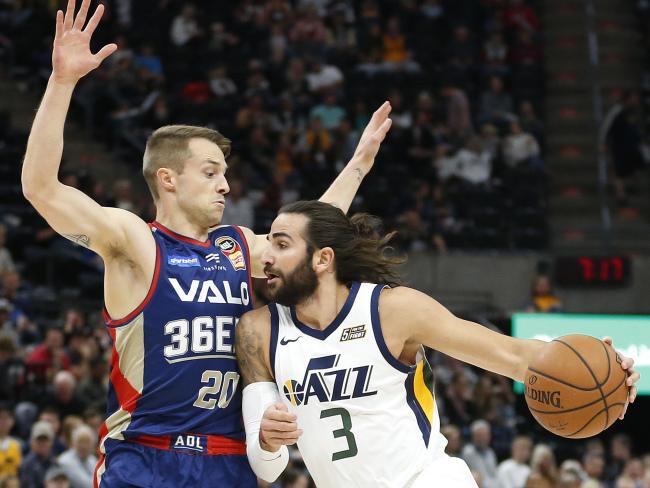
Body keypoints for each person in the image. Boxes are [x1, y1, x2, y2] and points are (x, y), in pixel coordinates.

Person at [21, 1, 392, 487]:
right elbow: (41, 188)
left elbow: (312, 235)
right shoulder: (137, 242)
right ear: (168, 178)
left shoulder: (237, 245)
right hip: (146, 456)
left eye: (226, 175)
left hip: (229, 460)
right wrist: (63, 82)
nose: (225, 186)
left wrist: (359, 164)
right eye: (211, 172)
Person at [234, 200, 640, 487]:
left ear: (323, 260)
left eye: (281, 244)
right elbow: (267, 467)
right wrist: (268, 440)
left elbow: (513, 356)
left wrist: (605, 362)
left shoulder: (392, 310)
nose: (265, 256)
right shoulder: (258, 331)